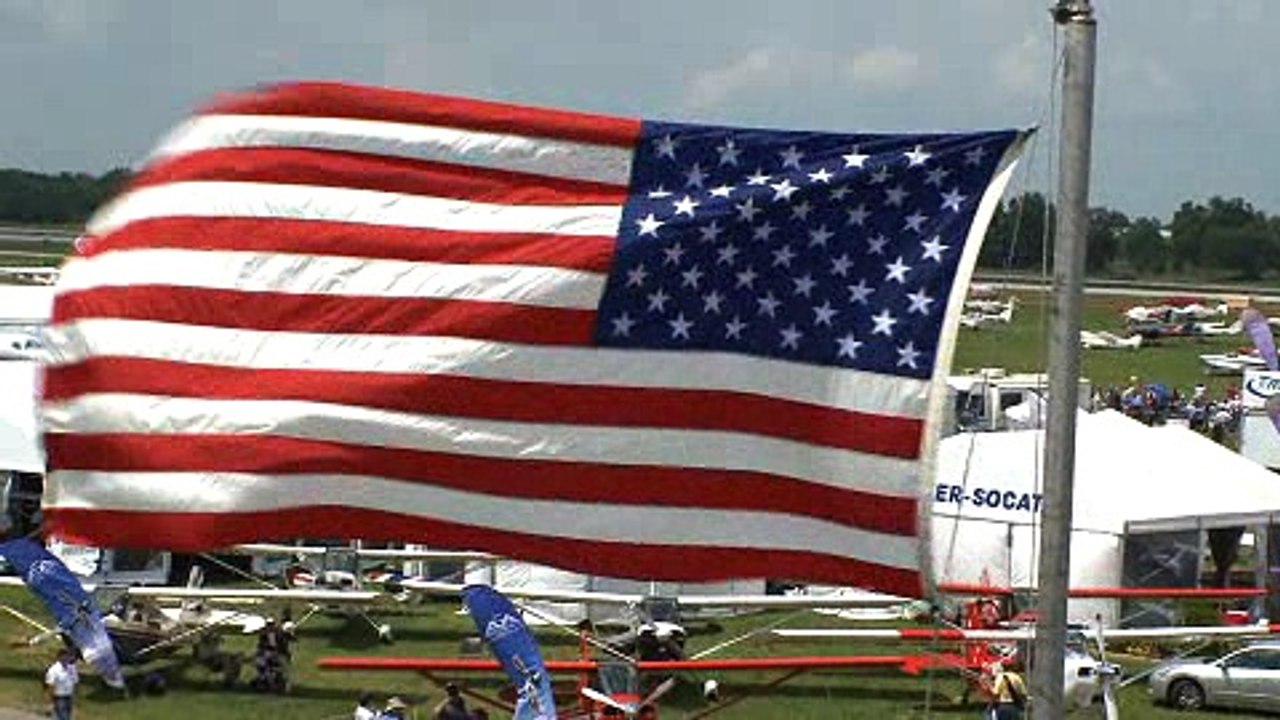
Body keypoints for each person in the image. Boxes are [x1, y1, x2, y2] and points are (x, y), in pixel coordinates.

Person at [45, 648, 79, 720]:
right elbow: (50, 687)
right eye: (65, 656)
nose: (67, 658)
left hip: (69, 697)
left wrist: (75, 698)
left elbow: (75, 683)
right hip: (59, 698)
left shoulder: (72, 668)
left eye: (68, 656)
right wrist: (50, 703)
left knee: (66, 717)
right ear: (59, 657)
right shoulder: (54, 670)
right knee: (64, 718)